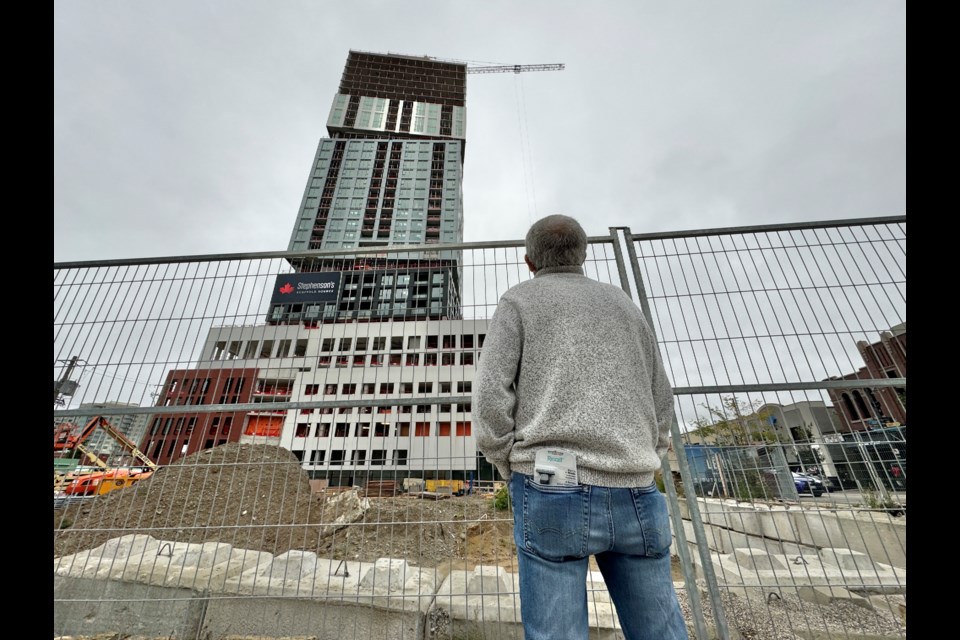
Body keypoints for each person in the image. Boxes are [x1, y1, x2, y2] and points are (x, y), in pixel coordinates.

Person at [474, 214, 688, 640]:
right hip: (636, 487)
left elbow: (489, 396)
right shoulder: (623, 303)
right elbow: (661, 395)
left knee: (556, 633)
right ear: (583, 255)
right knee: (660, 629)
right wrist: (649, 457)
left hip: (549, 483)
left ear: (529, 260)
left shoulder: (518, 302)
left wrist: (507, 461)